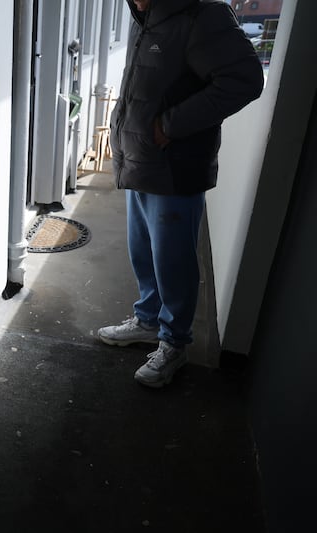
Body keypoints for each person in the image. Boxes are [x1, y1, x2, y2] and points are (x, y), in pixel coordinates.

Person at [97, 0, 263, 387]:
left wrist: (170, 126)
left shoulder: (202, 16)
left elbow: (244, 81)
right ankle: (147, 319)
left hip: (175, 167)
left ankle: (174, 343)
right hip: (140, 160)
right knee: (143, 252)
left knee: (173, 260)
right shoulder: (144, 17)